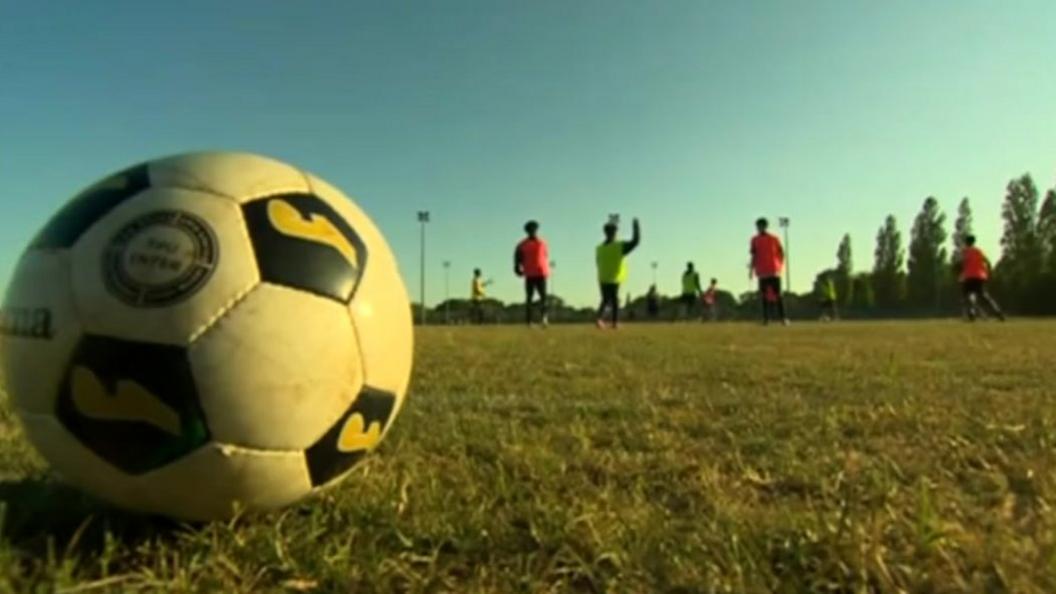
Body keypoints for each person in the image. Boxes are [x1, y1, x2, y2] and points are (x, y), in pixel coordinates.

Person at [595, 217, 641, 329]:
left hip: (602, 276)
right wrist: (636, 227)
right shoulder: (618, 246)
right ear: (614, 233)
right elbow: (635, 242)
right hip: (614, 276)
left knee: (605, 299)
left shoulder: (599, 248)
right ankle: (614, 323)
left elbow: (598, 261)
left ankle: (599, 319)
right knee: (615, 300)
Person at [955, 234, 1005, 321]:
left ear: (966, 242)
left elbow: (960, 263)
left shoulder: (965, 251)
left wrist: (957, 272)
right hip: (979, 276)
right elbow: (987, 262)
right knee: (984, 296)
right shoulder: (978, 251)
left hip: (969, 276)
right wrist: (989, 272)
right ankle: (998, 312)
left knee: (968, 295)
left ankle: (972, 312)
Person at [749, 217, 788, 325]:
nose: (759, 228)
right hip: (762, 272)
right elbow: (753, 255)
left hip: (774, 270)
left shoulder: (774, 238)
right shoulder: (754, 240)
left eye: (761, 226)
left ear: (765, 226)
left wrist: (779, 265)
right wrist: (751, 269)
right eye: (758, 226)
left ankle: (783, 318)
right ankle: (766, 319)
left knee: (778, 295)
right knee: (764, 296)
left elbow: (781, 253)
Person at [514, 220, 551, 326]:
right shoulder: (522, 245)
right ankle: (529, 321)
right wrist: (517, 268)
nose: (532, 232)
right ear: (527, 231)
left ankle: (544, 318)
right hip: (530, 274)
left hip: (541, 273)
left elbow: (545, 256)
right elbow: (517, 258)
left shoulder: (542, 243)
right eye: (530, 230)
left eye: (534, 229)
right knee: (529, 298)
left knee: (543, 297)